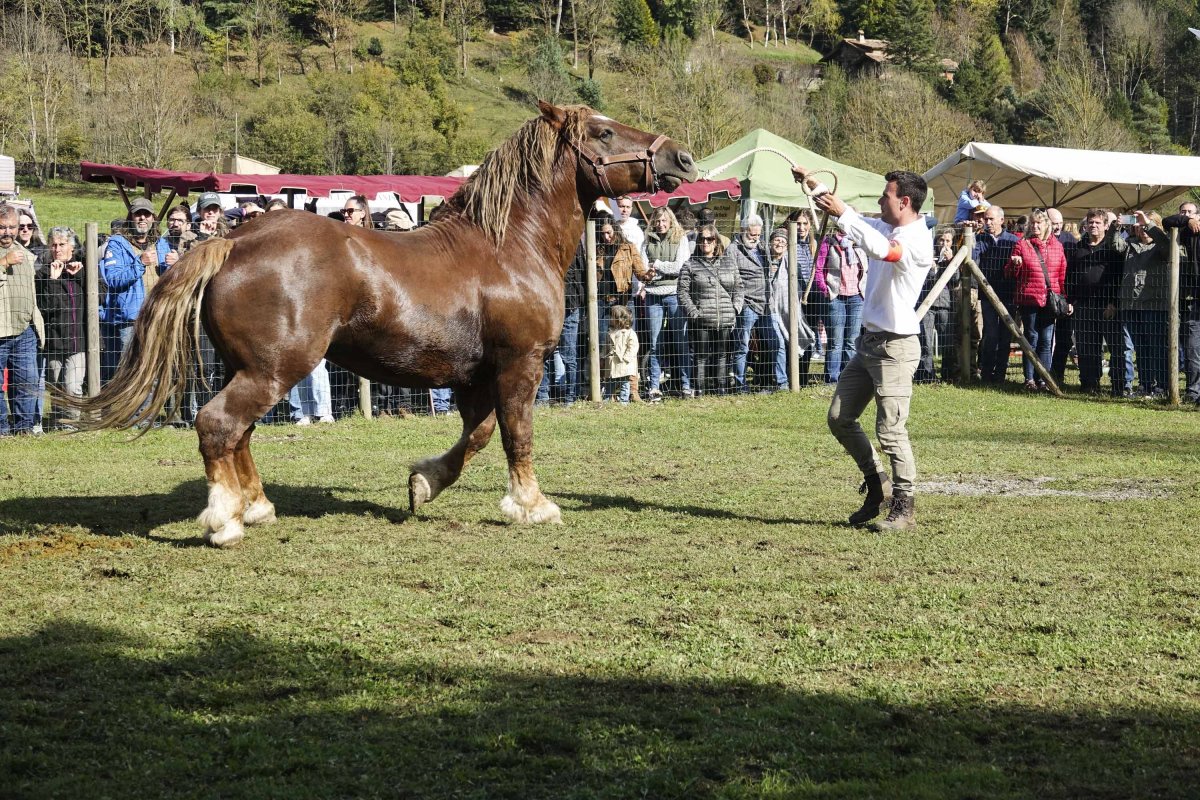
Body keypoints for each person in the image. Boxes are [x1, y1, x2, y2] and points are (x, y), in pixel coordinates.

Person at [792, 166, 933, 532]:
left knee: (891, 431)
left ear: (903, 202)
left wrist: (843, 214)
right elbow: (863, 226)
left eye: (885, 196)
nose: (879, 201)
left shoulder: (915, 240)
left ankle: (904, 506)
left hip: (896, 347)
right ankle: (877, 483)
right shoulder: (891, 226)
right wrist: (812, 183)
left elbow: (882, 250)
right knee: (840, 418)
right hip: (869, 343)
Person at [99, 197, 175, 383]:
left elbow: (170, 278)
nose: (142, 218)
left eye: (146, 214)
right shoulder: (118, 243)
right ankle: (131, 413)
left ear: (153, 218)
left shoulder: (160, 243)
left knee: (154, 374)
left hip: (158, 317)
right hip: (131, 320)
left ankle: (148, 413)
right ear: (130, 218)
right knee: (132, 375)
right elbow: (113, 279)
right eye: (138, 214)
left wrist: (175, 264)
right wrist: (139, 263)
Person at [1005, 209, 1068, 391]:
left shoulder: (1057, 246)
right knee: (1031, 337)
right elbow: (1009, 273)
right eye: (1032, 223)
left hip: (1050, 299)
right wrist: (1015, 264)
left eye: (1038, 223)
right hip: (1029, 298)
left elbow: (1061, 275)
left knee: (1046, 339)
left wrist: (1064, 297)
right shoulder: (1022, 245)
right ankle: (1029, 379)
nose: (1035, 226)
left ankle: (1044, 380)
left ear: (1046, 224)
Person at [1067, 208, 1127, 395]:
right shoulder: (1078, 248)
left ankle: (1118, 386)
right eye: (1090, 222)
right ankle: (1089, 384)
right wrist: (1072, 300)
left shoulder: (1113, 249)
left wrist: (1113, 303)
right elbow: (1070, 277)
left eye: (1097, 223)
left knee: (1116, 348)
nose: (1093, 226)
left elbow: (1119, 277)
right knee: (1086, 348)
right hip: (1083, 305)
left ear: (1106, 226)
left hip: (1107, 305)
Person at [677, 222, 742, 396]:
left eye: (709, 239)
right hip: (702, 318)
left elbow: (739, 287)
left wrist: (735, 308)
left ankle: (721, 388)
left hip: (725, 317)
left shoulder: (729, 262)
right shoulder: (690, 264)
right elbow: (682, 292)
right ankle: (700, 389)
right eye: (702, 239)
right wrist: (693, 313)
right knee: (701, 356)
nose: (705, 242)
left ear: (716, 241)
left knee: (722, 355)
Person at [1116, 211, 1174, 397]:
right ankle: (1146, 384)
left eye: (1147, 225)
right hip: (1131, 305)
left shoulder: (1162, 247)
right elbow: (1113, 244)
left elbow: (1167, 244)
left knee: (1156, 347)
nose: (1143, 229)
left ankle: (1162, 386)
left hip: (1154, 305)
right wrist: (1115, 227)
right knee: (1140, 348)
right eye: (1139, 225)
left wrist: (1148, 223)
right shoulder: (1129, 245)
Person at [35, 227, 88, 427]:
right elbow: (46, 307)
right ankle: (58, 422)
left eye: (62, 244)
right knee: (56, 386)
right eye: (54, 245)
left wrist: (80, 276)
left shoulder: (83, 269)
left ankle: (71, 423)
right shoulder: (42, 275)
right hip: (54, 340)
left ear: (72, 247)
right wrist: (53, 281)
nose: (57, 249)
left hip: (78, 340)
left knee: (72, 386)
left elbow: (99, 295)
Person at [640, 206, 693, 400]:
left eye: (664, 221)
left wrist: (658, 265)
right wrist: (652, 272)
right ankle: (654, 386)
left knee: (681, 339)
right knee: (655, 342)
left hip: (674, 294)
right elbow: (644, 268)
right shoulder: (647, 241)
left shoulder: (680, 238)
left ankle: (686, 385)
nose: (661, 225)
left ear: (670, 221)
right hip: (653, 295)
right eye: (657, 221)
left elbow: (681, 266)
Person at [0, 205, 44, 435]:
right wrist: (4, 262)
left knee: (26, 382)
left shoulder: (26, 255)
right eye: (2, 227)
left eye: (11, 227)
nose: (7, 232)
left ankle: (24, 428)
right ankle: (1, 430)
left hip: (24, 330)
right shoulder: (10, 255)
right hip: (0, 329)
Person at [728, 213, 783, 392]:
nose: (755, 238)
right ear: (743, 230)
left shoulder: (761, 247)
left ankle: (777, 381)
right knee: (742, 346)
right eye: (752, 234)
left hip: (767, 303)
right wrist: (740, 301)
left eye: (758, 235)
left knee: (775, 342)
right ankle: (740, 384)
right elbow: (730, 278)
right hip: (747, 304)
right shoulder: (733, 250)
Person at [595, 217, 646, 399]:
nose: (606, 237)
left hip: (622, 301)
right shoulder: (596, 249)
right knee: (604, 346)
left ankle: (632, 390)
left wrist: (647, 276)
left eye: (609, 232)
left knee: (628, 344)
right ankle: (603, 389)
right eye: (603, 234)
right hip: (601, 301)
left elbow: (640, 271)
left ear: (616, 230)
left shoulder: (628, 248)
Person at [972, 205, 1019, 384]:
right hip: (988, 295)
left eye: (991, 219)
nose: (988, 222)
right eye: (986, 219)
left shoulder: (1013, 241)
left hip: (1008, 294)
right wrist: (972, 239)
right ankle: (986, 372)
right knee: (990, 334)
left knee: (1006, 335)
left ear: (1001, 219)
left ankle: (1000, 373)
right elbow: (972, 258)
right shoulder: (980, 238)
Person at [814, 226, 866, 382]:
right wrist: (825, 290)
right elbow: (818, 268)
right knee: (836, 341)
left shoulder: (860, 242)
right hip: (836, 296)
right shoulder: (829, 242)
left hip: (856, 297)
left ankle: (849, 378)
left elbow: (868, 268)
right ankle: (832, 379)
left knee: (852, 341)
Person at [538, 239, 585, 405]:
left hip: (570, 306)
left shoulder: (574, 245)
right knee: (544, 354)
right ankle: (543, 396)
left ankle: (570, 397)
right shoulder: (545, 242)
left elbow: (580, 275)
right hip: (547, 308)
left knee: (569, 355)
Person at [1162, 201, 1200, 404]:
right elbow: (1167, 222)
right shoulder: (1186, 231)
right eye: (1183, 212)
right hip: (1193, 299)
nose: (1186, 215)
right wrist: (1188, 220)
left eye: (1190, 212)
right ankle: (1193, 392)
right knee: (1193, 348)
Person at [916, 228, 955, 383]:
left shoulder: (953, 257)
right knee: (925, 342)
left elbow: (955, 281)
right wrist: (931, 269)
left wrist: (950, 262)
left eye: (948, 241)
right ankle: (926, 375)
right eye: (941, 240)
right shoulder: (926, 255)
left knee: (947, 341)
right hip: (926, 304)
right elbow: (923, 282)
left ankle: (948, 374)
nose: (944, 244)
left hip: (944, 304)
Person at [1048, 207, 1079, 384]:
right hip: (1047, 295)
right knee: (1044, 338)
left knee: (1064, 338)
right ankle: (1042, 374)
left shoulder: (1070, 241)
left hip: (1065, 295)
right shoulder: (1042, 240)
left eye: (1060, 223)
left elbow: (1073, 272)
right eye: (1054, 224)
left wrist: (1071, 299)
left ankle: (1057, 373)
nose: (1058, 227)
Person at [606, 304, 638, 404]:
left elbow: (633, 347)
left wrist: (626, 358)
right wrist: (603, 355)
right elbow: (606, 346)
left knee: (624, 382)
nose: (610, 319)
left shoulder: (629, 333)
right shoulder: (611, 332)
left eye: (612, 317)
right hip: (612, 363)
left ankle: (624, 401)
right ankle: (607, 398)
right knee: (610, 382)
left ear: (619, 319)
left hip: (624, 363)